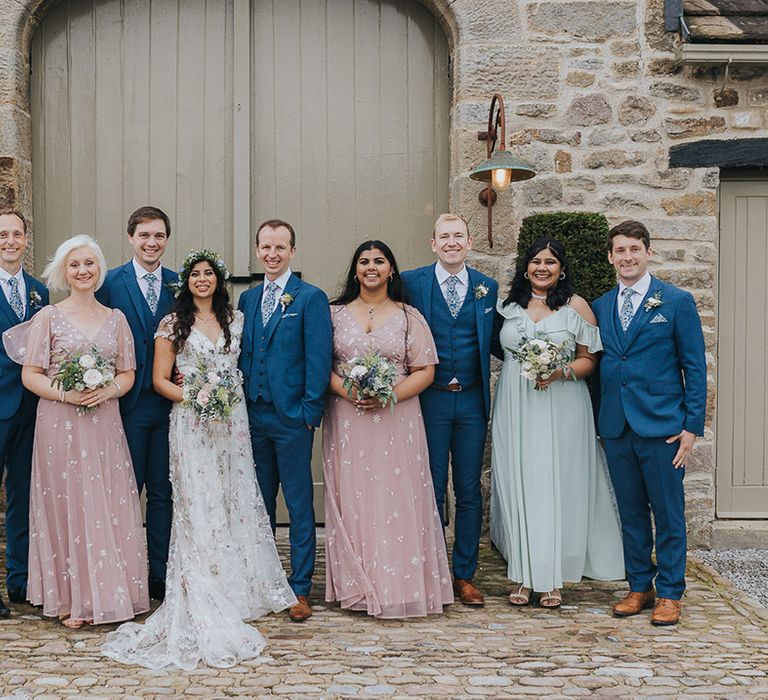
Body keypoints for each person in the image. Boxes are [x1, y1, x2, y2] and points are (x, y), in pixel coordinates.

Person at [102, 249, 295, 669]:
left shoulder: (236, 320)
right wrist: (195, 397)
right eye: (196, 274)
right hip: (192, 422)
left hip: (233, 422)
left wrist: (222, 397)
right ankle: (202, 581)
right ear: (186, 281)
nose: (202, 279)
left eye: (209, 273)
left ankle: (239, 583)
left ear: (218, 280)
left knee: (234, 495)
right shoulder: (172, 324)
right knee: (199, 500)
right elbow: (159, 380)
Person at [2, 235, 148, 628]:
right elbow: (31, 374)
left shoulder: (117, 319)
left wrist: (107, 390)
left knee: (104, 501)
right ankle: (69, 597)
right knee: (65, 502)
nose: (83, 271)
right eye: (75, 265)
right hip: (59, 423)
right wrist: (67, 393)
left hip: (104, 422)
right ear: (64, 273)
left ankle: (107, 592)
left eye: (89, 263)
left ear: (99, 269)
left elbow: (128, 373)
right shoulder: (48, 317)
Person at [491, 236, 624, 608]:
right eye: (535, 261)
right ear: (525, 267)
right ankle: (522, 573)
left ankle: (552, 578)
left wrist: (560, 371)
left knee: (555, 482)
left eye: (550, 262)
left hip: (563, 401)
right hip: (516, 402)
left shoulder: (576, 306)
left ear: (562, 268)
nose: (542, 268)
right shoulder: (507, 306)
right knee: (519, 481)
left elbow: (590, 359)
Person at [323, 240, 453, 618]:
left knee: (396, 497)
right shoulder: (334, 315)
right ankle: (357, 586)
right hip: (347, 417)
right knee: (355, 497)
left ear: (391, 269)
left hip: (398, 417)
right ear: (355, 270)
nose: (371, 267)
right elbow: (321, 364)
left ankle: (399, 585)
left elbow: (426, 370)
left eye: (379, 261)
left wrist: (389, 395)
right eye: (364, 261)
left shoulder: (410, 316)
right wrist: (346, 389)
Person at [593, 220, 706, 626]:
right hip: (617, 428)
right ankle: (640, 585)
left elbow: (694, 366)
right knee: (632, 512)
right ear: (610, 257)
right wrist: (600, 424)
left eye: (634, 250)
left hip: (663, 428)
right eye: (620, 251)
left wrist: (692, 427)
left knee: (669, 512)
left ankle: (671, 592)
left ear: (648, 252)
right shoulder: (602, 305)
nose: (627, 257)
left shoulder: (675, 301)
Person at [238, 219, 332, 622]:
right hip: (252, 417)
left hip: (292, 418)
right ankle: (262, 582)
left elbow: (319, 358)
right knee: (256, 505)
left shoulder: (309, 298)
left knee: (297, 506)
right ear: (257, 250)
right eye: (266, 247)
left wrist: (309, 413)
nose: (272, 254)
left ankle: (299, 588)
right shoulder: (247, 298)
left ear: (292, 251)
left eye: (280, 247)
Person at [401, 214, 498, 606]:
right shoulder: (412, 283)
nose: (452, 242)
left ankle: (464, 574)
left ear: (469, 243)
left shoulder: (487, 288)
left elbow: (499, 338)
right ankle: (432, 568)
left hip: (473, 399)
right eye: (445, 236)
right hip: (432, 398)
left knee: (469, 489)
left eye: (459, 236)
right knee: (432, 486)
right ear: (433, 243)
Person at [96, 206, 178, 602]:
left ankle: (159, 573)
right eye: (144, 235)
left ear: (166, 239)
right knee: (126, 489)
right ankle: (124, 570)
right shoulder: (110, 282)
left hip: (169, 406)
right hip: (124, 406)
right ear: (131, 237)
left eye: (159, 236)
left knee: (163, 492)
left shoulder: (180, 284)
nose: (152, 243)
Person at [0, 210, 49, 617]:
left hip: (30, 409)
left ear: (26, 240)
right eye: (3, 234)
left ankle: (19, 581)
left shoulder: (39, 292)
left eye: (17, 234)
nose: (10, 241)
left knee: (22, 497)